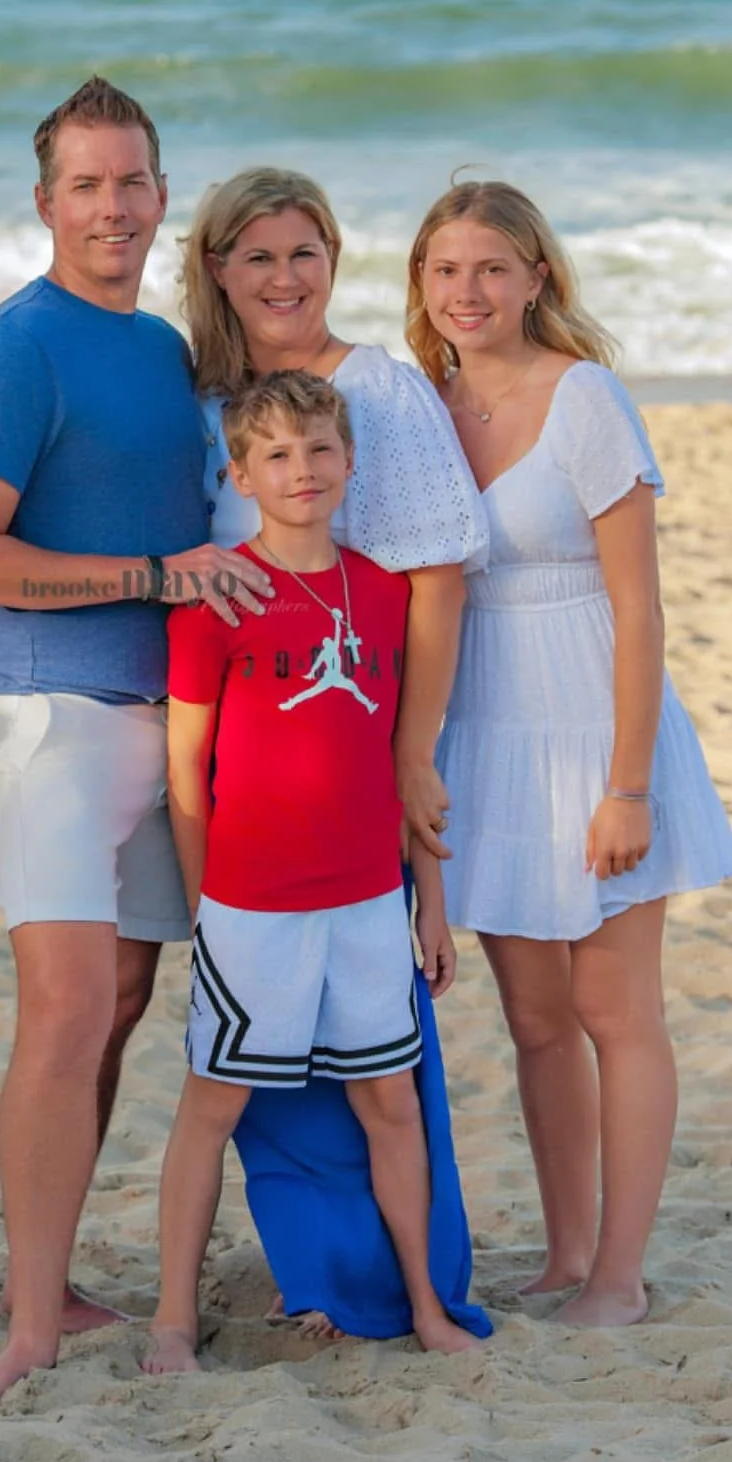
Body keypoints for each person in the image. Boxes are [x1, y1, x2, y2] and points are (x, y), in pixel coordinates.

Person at [0, 76, 274, 1409]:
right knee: (67, 1011)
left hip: (165, 722)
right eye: (85, 184)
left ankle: (52, 1270)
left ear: (161, 197)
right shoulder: (16, 346)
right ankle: (26, 1324)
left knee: (121, 1007)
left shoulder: (164, 350)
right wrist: (148, 575)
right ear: (43, 201)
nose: (111, 206)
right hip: (51, 719)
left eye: (132, 182)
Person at [407, 178, 732, 1326]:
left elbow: (641, 609)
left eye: (492, 268)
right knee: (535, 1018)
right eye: (446, 270)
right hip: (487, 740)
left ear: (538, 277)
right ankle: (563, 1254)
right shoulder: (423, 407)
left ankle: (618, 1276)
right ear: (422, 283)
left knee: (616, 1011)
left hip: (599, 731)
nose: (469, 291)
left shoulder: (585, 396)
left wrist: (629, 785)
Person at [183, 167, 490, 1334]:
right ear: (217, 268)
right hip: (252, 783)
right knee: (267, 1081)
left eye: (304, 252)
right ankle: (313, 1278)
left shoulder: (378, 392)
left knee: (373, 1067)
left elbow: (435, 583)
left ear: (334, 258)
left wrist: (416, 759)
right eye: (256, 255)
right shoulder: (213, 396)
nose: (282, 276)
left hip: (360, 769)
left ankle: (392, 1286)